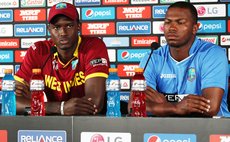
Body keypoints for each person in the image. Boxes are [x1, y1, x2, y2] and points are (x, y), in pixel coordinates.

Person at [128, 1, 230, 117]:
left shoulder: (212, 54)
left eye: (180, 23)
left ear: (194, 28)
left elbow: (209, 107)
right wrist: (176, 107)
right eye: (167, 22)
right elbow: (133, 106)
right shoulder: (152, 57)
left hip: (211, 131)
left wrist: (163, 105)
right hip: (167, 131)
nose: (172, 28)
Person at [14, 2, 110, 116]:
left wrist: (41, 107)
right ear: (49, 29)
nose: (63, 33)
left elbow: (94, 103)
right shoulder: (38, 51)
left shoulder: (93, 47)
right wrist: (60, 108)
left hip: (89, 123)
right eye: (56, 27)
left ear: (78, 26)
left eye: (69, 26)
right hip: (54, 123)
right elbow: (13, 103)